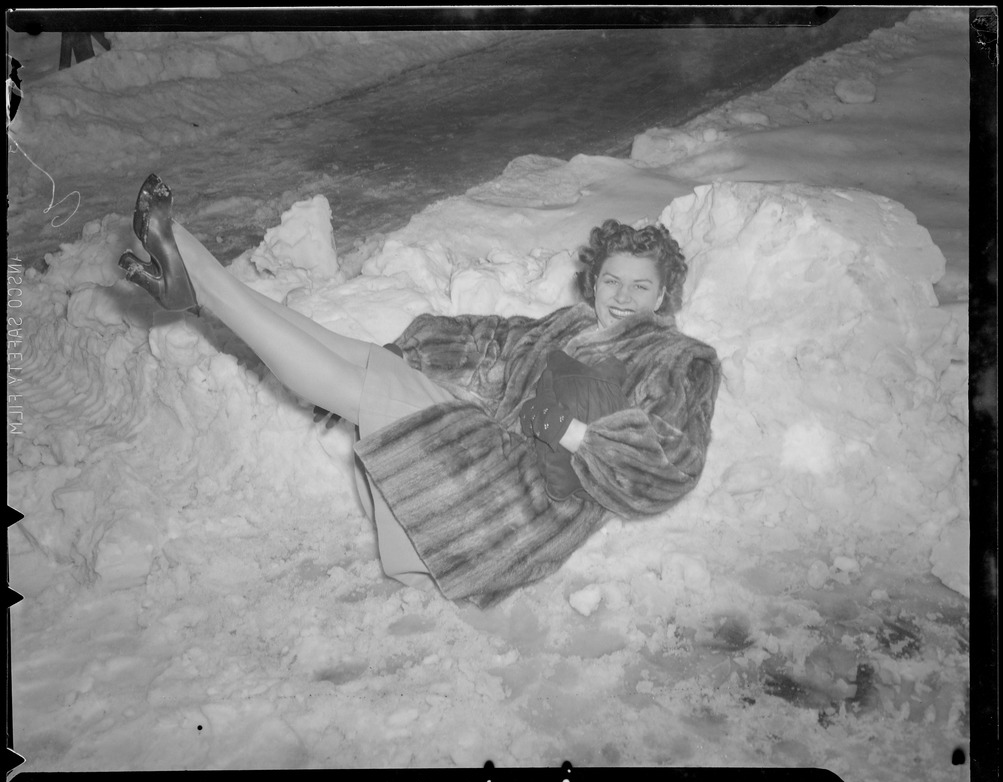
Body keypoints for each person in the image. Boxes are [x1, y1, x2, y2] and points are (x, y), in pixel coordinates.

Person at [119, 174, 721, 608]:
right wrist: (418, 349)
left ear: (665, 295)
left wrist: (572, 432)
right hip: (496, 441)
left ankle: (196, 282)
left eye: (639, 287)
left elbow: (668, 467)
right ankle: (196, 277)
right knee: (358, 355)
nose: (620, 295)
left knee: (352, 385)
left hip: (526, 500)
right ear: (595, 279)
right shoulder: (575, 323)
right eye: (611, 279)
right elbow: (497, 340)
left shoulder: (680, 360)